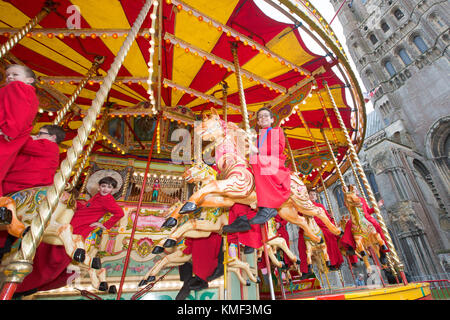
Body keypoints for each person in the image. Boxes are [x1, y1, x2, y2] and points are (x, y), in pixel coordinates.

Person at [15, 176, 125, 295]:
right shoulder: (98, 196)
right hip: (75, 219)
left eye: (109, 187)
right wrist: (73, 202)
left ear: (113, 190)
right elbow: (88, 207)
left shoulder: (108, 200)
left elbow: (120, 213)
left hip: (82, 225)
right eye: (103, 186)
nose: (105, 189)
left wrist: (103, 224)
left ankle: (35, 281)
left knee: (60, 251)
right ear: (99, 187)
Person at [223, 107, 291, 232]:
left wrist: (258, 151)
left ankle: (268, 207)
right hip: (259, 162)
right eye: (260, 117)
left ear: (271, 119)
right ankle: (241, 217)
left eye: (266, 116)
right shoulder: (258, 138)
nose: (263, 118)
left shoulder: (276, 130)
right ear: (258, 123)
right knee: (241, 176)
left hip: (273, 162)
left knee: (257, 161)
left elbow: (278, 148)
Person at [0, 64, 39, 196]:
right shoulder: (31, 95)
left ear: (30, 80)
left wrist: (9, 130)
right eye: (8, 75)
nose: (10, 77)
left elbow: (18, 111)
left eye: (15, 74)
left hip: (6, 134)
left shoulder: (17, 86)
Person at [2, 125, 65, 195]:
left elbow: (21, 143)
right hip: (21, 183)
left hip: (21, 185)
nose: (37, 136)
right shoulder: (50, 149)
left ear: (53, 137)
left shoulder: (49, 146)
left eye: (40, 133)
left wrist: (23, 136)